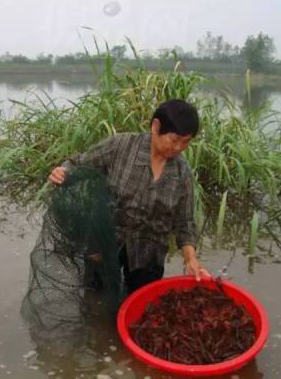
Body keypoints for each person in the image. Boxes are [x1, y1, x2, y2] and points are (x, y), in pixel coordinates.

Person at [48, 99, 211, 294]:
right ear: (156, 126)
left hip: (148, 254)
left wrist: (191, 259)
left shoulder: (182, 173)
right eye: (174, 140)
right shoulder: (121, 146)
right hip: (106, 243)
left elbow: (184, 223)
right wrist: (63, 171)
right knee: (96, 298)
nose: (178, 148)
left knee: (143, 304)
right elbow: (79, 163)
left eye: (186, 142)